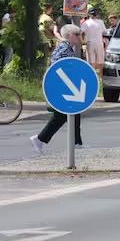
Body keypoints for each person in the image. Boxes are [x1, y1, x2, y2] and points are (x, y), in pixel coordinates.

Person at [30, 24, 86, 153]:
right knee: (63, 115)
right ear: (69, 36)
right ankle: (40, 139)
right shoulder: (64, 48)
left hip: (65, 87)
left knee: (71, 114)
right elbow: (57, 66)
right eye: (77, 35)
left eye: (80, 34)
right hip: (63, 88)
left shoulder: (67, 48)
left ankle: (76, 143)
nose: (79, 37)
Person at [81, 7, 106, 76]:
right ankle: (100, 76)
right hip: (99, 42)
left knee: (91, 61)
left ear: (89, 14)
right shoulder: (101, 22)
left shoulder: (86, 23)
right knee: (100, 61)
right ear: (96, 14)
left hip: (89, 42)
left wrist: (82, 41)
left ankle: (91, 75)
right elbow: (104, 32)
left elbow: (81, 32)